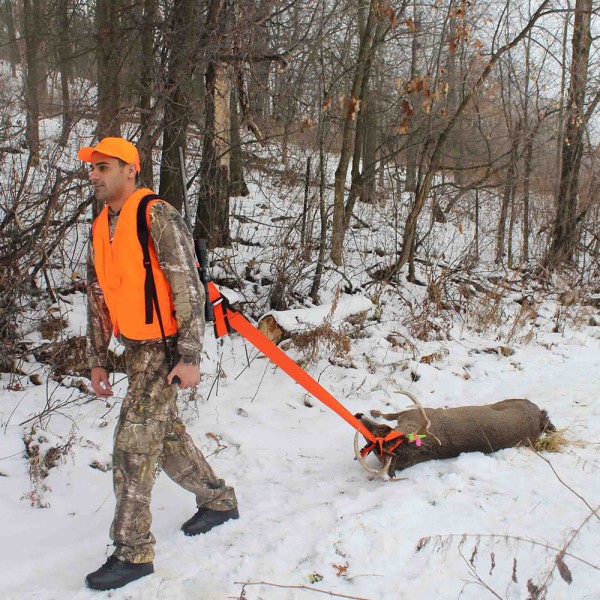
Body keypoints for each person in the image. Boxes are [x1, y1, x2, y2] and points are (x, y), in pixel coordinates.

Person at [80, 137, 238, 591]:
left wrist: (189, 356)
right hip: (135, 349)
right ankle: (219, 500)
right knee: (163, 436)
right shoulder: (99, 226)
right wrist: (98, 358)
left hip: (165, 348)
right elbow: (97, 298)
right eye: (92, 168)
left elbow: (187, 286)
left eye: (103, 167)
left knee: (133, 444)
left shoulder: (156, 214)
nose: (94, 175)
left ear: (131, 170)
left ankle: (133, 552)